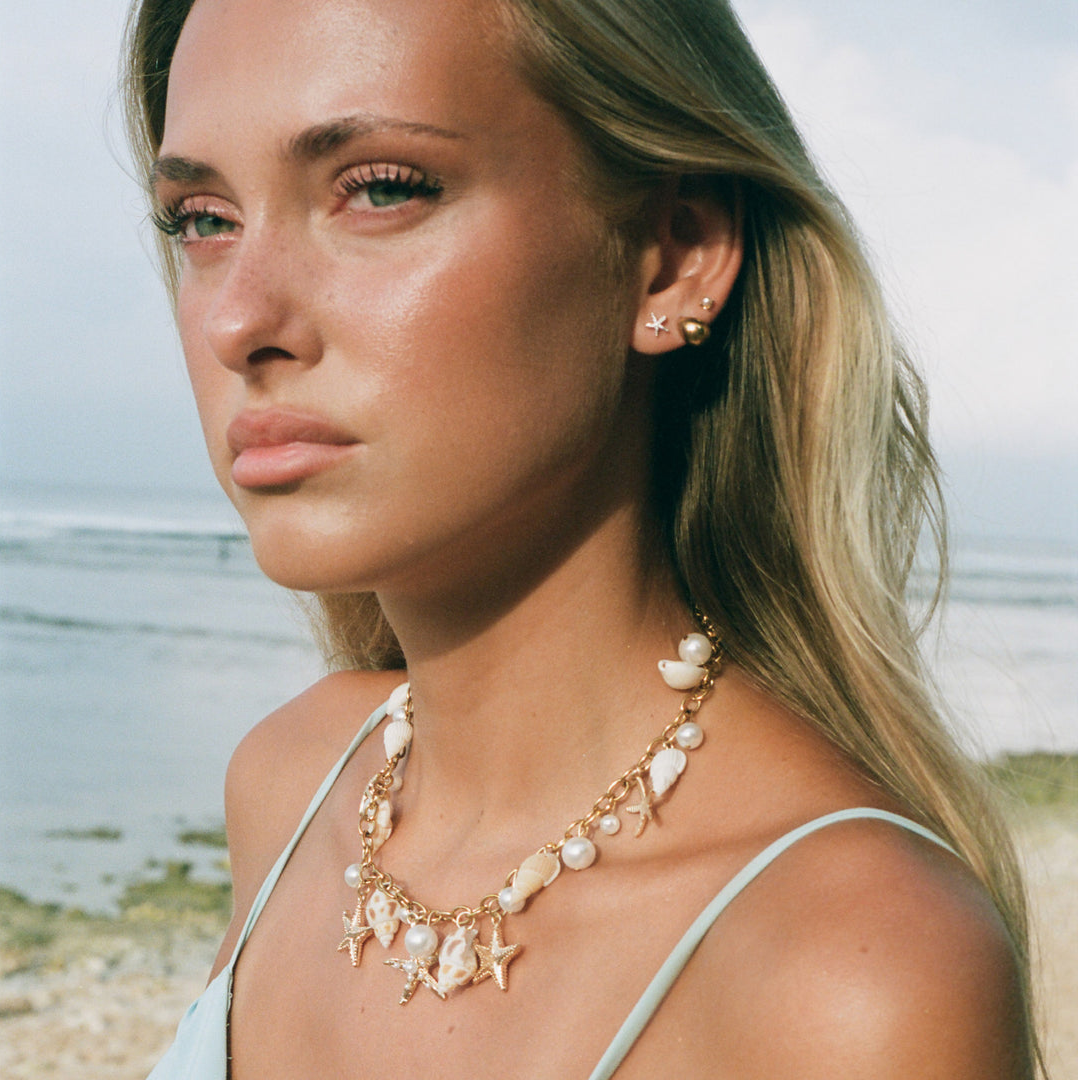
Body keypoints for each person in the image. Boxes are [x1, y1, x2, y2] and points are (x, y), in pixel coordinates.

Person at [123, 0, 1044, 1076]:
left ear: (674, 256)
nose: (237, 322)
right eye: (203, 219)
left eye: (380, 189)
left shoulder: (849, 972)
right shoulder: (294, 783)